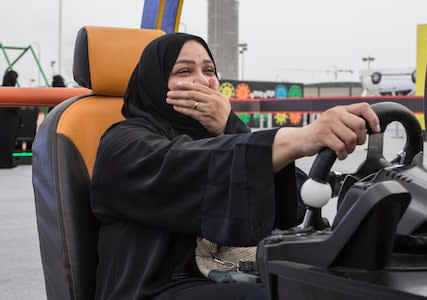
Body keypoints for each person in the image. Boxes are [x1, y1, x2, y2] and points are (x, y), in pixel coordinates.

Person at [90, 32, 380, 300]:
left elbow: (295, 203)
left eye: (209, 71)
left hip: (223, 275)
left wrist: (231, 127)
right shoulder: (123, 143)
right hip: (157, 287)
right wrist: (304, 137)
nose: (203, 82)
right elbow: (190, 164)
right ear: (155, 83)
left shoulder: (219, 136)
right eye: (184, 71)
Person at [0, 69, 20, 168]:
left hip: (3, 120)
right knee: (8, 141)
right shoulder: (13, 92)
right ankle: (7, 161)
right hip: (10, 121)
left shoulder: (2, 90)